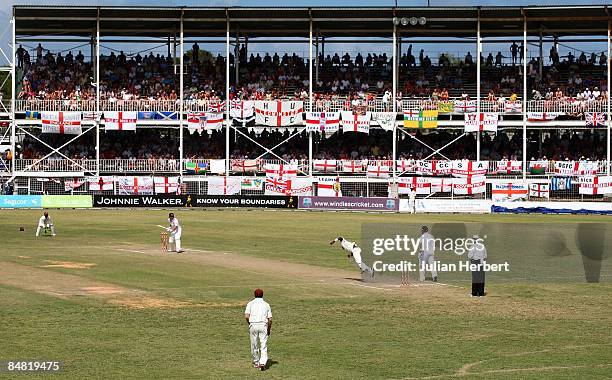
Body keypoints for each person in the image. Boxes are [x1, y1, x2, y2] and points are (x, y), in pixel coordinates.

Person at [244, 288, 272, 371]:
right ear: (262, 295)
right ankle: (262, 362)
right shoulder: (266, 304)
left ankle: (256, 362)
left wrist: (250, 324)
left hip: (253, 325)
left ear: (254, 295)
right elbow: (270, 319)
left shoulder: (250, 303)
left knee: (254, 344)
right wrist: (269, 329)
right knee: (263, 344)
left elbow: (246, 316)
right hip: (263, 325)